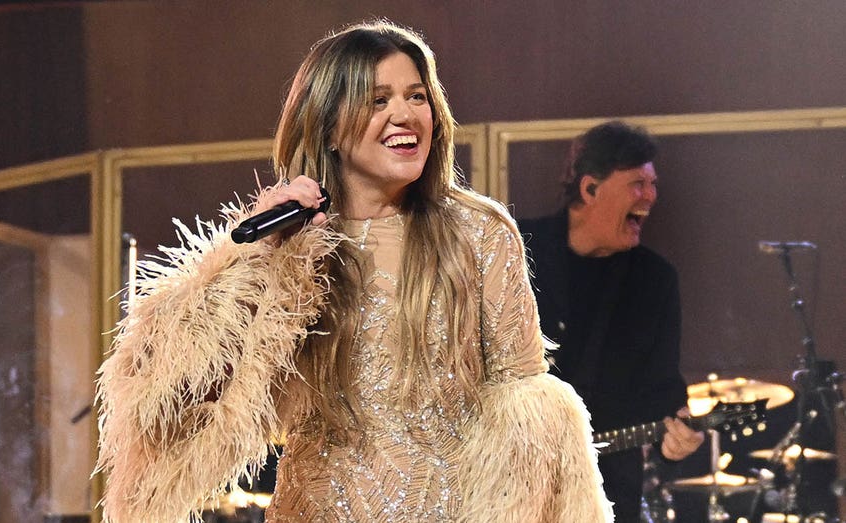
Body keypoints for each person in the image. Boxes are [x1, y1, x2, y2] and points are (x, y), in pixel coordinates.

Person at [95, 21, 612, 523]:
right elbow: (173, 396)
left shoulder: (479, 232)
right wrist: (251, 259)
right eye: (377, 100)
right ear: (328, 126)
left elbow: (526, 410)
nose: (404, 115)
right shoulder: (291, 242)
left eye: (417, 96)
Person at [517, 121, 705, 522]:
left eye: (653, 184)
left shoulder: (655, 280)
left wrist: (678, 444)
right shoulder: (518, 250)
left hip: (607, 491)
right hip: (513, 488)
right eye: (638, 183)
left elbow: (663, 393)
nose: (651, 196)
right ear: (590, 189)